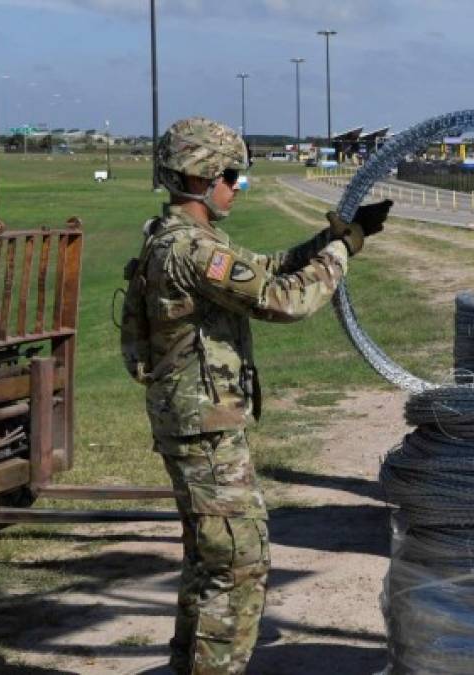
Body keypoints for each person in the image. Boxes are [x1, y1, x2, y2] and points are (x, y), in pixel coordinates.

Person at [120, 116, 391, 674]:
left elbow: (261, 269)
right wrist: (343, 253)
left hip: (198, 420)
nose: (236, 187)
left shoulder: (179, 240)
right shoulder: (192, 250)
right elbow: (283, 299)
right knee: (238, 563)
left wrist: (335, 237)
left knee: (209, 559)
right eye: (230, 176)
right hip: (205, 427)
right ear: (200, 179)